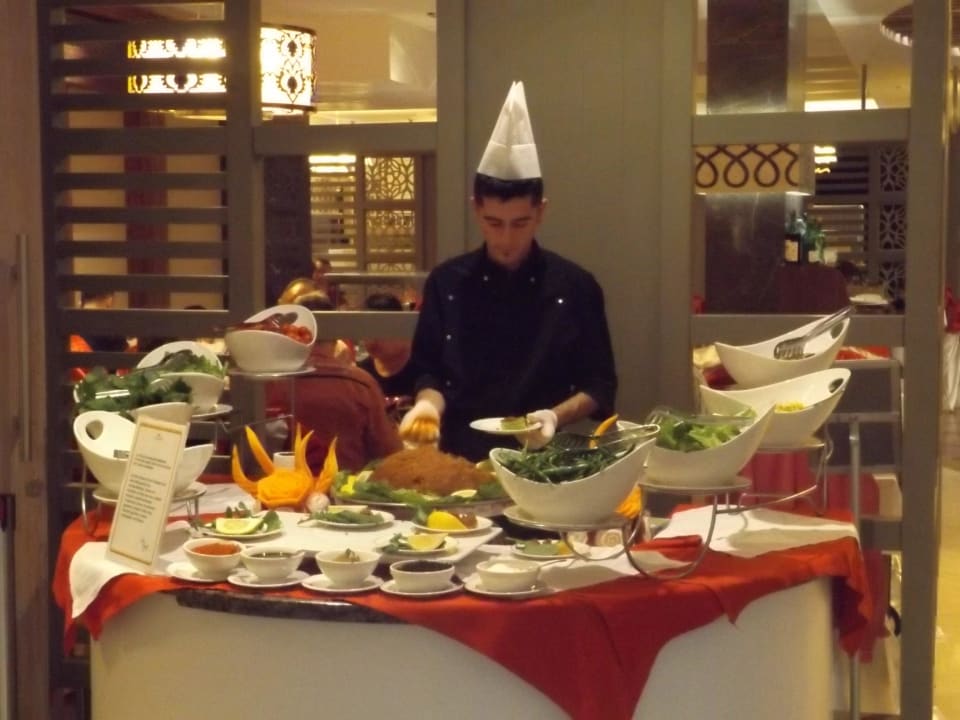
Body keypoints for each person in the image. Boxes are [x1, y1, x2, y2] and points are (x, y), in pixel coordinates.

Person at [400, 81, 617, 462]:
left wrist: (554, 416)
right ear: (476, 209)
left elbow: (599, 385)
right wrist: (427, 407)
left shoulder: (575, 286)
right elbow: (428, 371)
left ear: (541, 211)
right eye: (493, 222)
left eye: (520, 223)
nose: (506, 238)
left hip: (544, 461)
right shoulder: (446, 283)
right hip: (459, 460)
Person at [266, 291, 401, 473]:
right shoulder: (362, 384)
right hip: (345, 488)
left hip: (280, 486)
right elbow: (390, 454)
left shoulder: (269, 382)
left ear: (291, 335)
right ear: (336, 337)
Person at [357, 292, 419, 398]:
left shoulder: (422, 368)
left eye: (379, 331)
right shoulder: (363, 371)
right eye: (366, 332)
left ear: (399, 328)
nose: (371, 341)